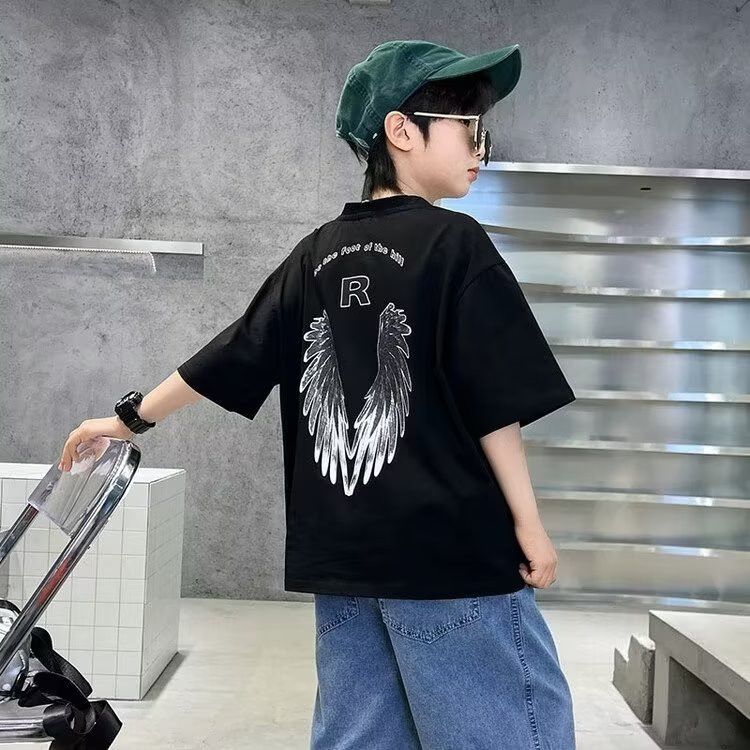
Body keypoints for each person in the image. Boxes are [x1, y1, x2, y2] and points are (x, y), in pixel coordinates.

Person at [58, 40, 577, 750]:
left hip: (344, 558)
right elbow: (494, 403)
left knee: (362, 736)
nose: (479, 149)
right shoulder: (455, 244)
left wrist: (125, 421)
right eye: (469, 128)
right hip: (449, 555)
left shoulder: (315, 252)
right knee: (505, 731)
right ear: (402, 131)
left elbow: (232, 353)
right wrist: (529, 524)